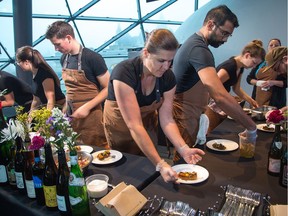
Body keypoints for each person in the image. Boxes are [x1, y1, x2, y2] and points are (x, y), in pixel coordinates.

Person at [103, 29, 205, 183]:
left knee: (148, 170)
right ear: (146, 53)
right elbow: (134, 125)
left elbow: (167, 119)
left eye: (170, 61)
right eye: (161, 61)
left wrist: (183, 148)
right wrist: (161, 163)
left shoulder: (168, 77)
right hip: (121, 129)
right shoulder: (124, 72)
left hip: (147, 127)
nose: (166, 67)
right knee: (125, 173)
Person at [171, 5, 257, 161]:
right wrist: (251, 126)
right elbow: (220, 95)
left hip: (191, 113)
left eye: (228, 36)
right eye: (224, 33)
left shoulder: (194, 44)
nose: (225, 39)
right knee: (184, 164)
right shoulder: (199, 49)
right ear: (210, 24)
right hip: (184, 114)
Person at [45, 21, 110, 148]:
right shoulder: (64, 59)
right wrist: (64, 109)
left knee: (98, 150)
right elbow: (70, 90)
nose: (56, 49)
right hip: (72, 116)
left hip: (93, 117)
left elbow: (109, 87)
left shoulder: (92, 58)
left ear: (68, 38)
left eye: (57, 44)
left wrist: (86, 107)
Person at [204, 39, 265, 133]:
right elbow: (211, 87)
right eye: (254, 63)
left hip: (220, 104)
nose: (253, 67)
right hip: (212, 104)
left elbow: (236, 89)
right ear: (247, 55)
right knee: (209, 131)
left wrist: (250, 100)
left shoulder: (240, 67)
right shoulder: (230, 66)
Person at [16, 46, 66, 111]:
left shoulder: (44, 75)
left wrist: (48, 118)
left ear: (26, 62)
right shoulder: (35, 74)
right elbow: (36, 99)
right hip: (50, 109)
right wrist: (30, 115)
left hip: (59, 109)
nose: (18, 65)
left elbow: (51, 99)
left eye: (18, 62)